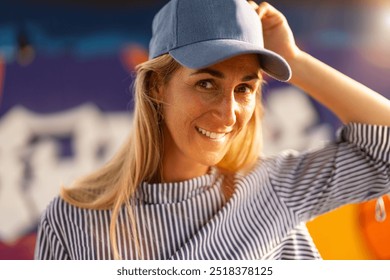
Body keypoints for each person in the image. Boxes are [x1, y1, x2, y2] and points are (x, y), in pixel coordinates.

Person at [34, 0, 390, 260]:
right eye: (206, 84)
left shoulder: (275, 187)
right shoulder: (73, 221)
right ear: (157, 86)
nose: (229, 112)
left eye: (245, 88)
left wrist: (294, 60)